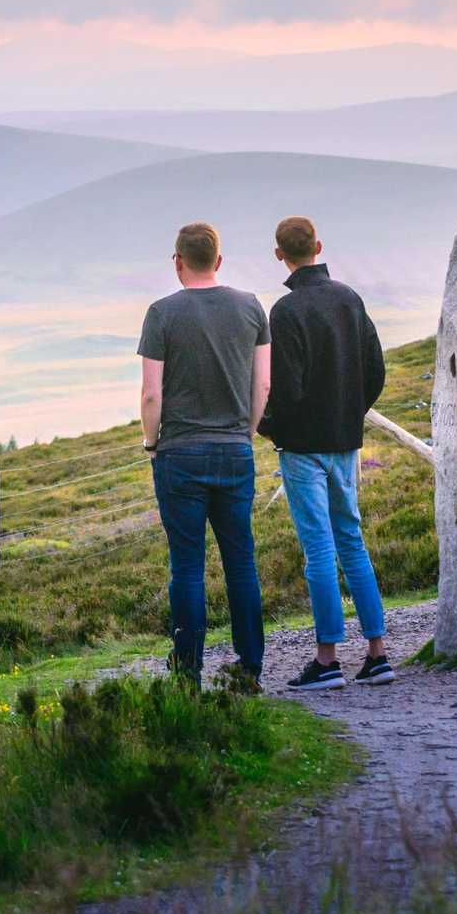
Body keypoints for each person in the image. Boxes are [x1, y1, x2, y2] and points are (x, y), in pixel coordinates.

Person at [259, 215, 394, 691]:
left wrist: (267, 426)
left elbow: (287, 388)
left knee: (319, 550)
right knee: (352, 541)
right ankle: (378, 653)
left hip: (302, 447)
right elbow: (375, 370)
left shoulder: (286, 311)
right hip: (345, 441)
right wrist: (350, 413)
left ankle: (327, 660)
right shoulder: (350, 300)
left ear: (280, 254)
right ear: (318, 245)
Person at [138, 222, 270, 688]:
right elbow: (264, 384)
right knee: (241, 562)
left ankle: (188, 669)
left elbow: (151, 395)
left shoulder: (161, 313)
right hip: (235, 450)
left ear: (178, 262)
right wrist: (247, 432)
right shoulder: (251, 307)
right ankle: (251, 665)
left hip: (180, 455)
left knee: (188, 567)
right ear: (218, 260)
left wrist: (152, 445)